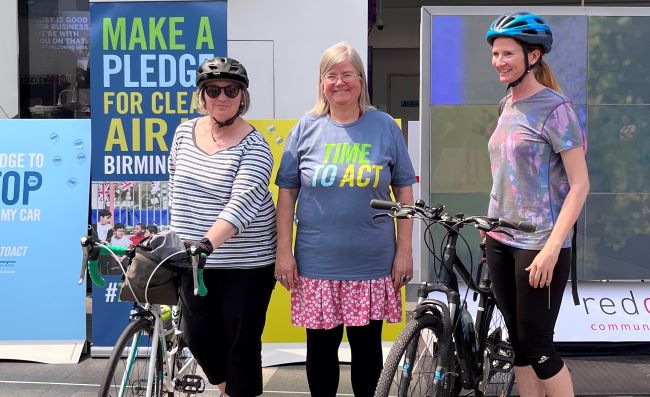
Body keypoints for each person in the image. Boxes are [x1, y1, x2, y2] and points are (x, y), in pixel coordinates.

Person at [275, 42, 416, 397]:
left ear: (361, 80)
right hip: (317, 263)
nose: (340, 82)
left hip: (370, 263)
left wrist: (405, 251)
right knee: (320, 352)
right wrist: (284, 252)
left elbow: (403, 192)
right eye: (331, 75)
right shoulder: (305, 128)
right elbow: (287, 194)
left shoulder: (384, 126)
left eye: (347, 74)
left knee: (367, 352)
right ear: (321, 83)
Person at [484, 12, 589, 397]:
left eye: (508, 53)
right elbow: (504, 174)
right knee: (519, 347)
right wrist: (489, 223)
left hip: (540, 243)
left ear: (533, 57)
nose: (499, 61)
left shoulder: (556, 109)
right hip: (500, 238)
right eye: (495, 53)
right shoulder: (505, 106)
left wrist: (550, 249)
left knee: (541, 350)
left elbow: (580, 185)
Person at [168, 57, 277, 397]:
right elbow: (174, 185)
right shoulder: (184, 132)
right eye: (213, 90)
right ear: (202, 95)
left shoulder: (256, 146)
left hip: (245, 264)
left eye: (231, 90)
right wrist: (181, 244)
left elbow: (241, 205)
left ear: (242, 97)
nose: (222, 96)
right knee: (198, 336)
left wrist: (206, 243)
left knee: (240, 346)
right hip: (193, 259)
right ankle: (229, 389)